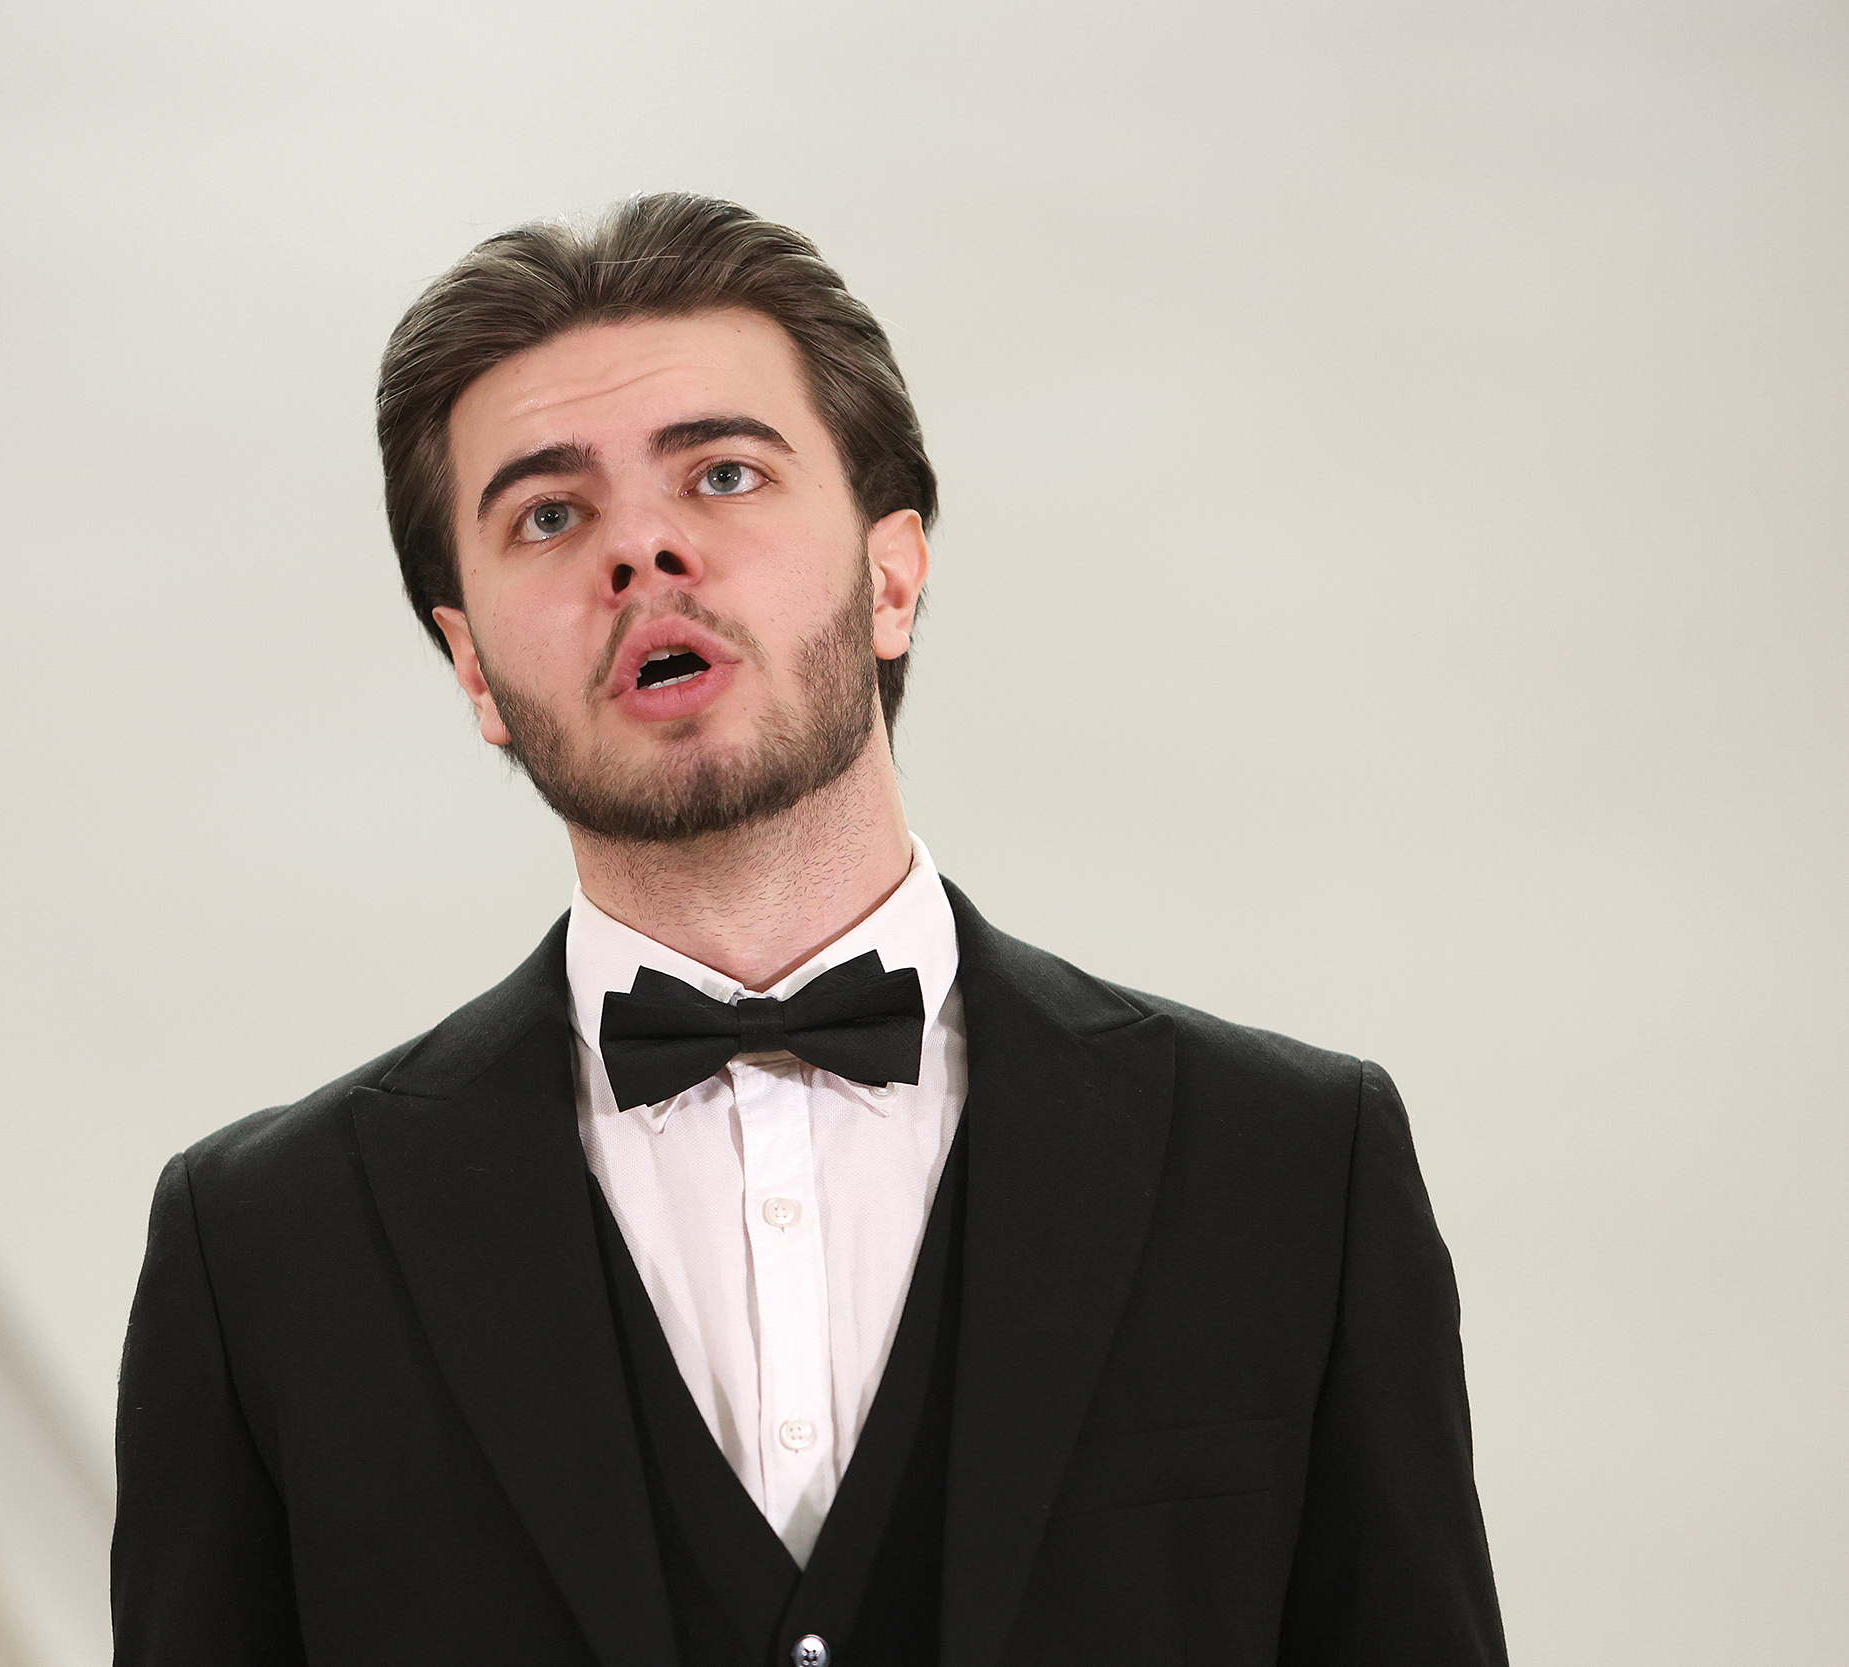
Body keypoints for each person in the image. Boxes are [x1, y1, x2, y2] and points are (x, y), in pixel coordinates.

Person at [112, 193, 1508, 1667]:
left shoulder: (1294, 1169)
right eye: (548, 515)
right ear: (472, 666)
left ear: (891, 576)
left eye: (723, 474)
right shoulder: (260, 1252)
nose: (642, 550)